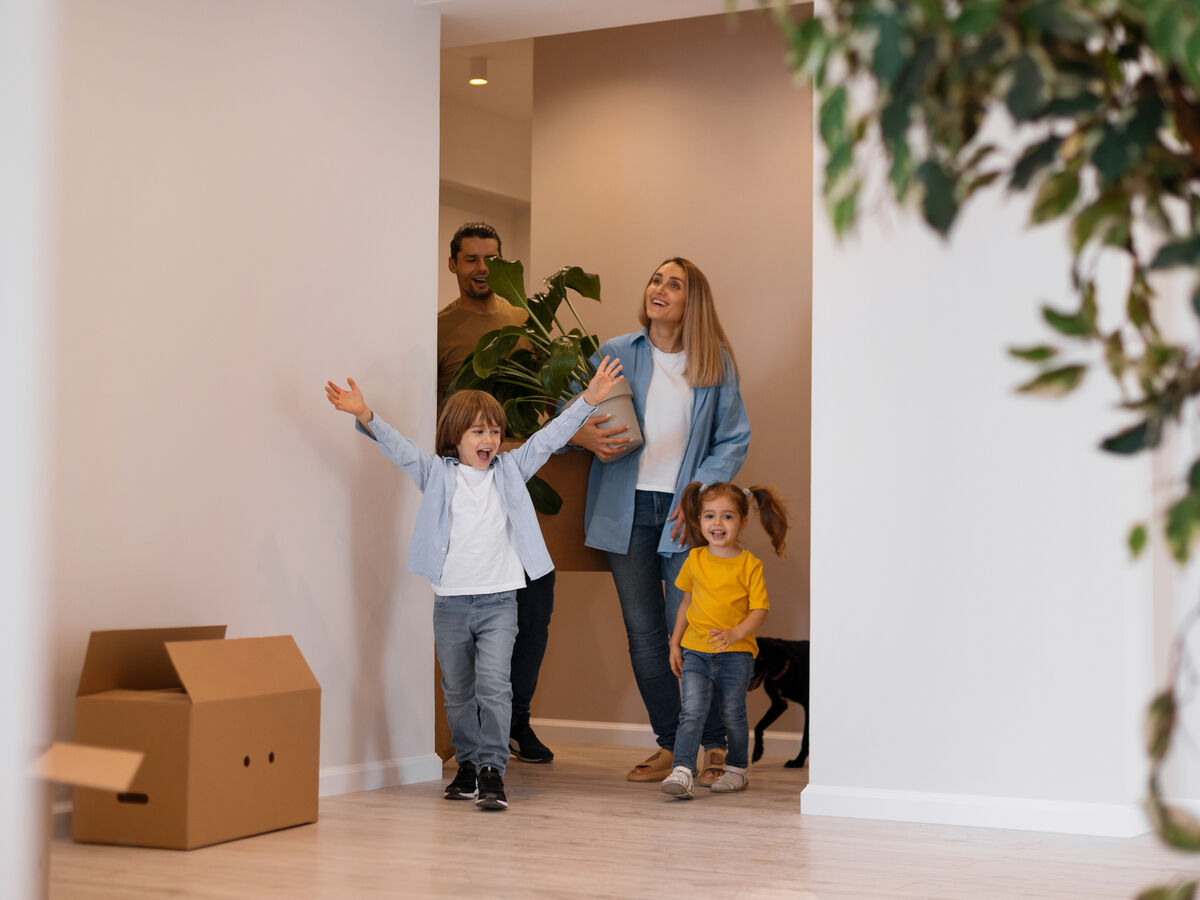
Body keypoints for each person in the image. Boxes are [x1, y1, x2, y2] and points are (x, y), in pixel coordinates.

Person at [325, 357, 624, 810]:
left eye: (495, 432)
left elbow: (549, 438)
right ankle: (466, 765)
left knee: (494, 686)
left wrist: (589, 400)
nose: (489, 440)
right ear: (456, 438)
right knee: (458, 690)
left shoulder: (510, 470)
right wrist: (365, 414)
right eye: (478, 432)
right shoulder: (436, 474)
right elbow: (401, 448)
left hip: (500, 601)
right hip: (450, 604)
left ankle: (492, 770)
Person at [570, 257, 751, 784]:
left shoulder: (713, 361)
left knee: (695, 630)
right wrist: (583, 436)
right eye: (655, 279)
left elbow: (732, 437)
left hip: (682, 518)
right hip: (623, 514)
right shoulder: (617, 352)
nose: (661, 289)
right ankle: (674, 746)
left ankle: (714, 745)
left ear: (692, 301)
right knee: (644, 635)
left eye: (675, 284)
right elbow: (572, 412)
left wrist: (694, 499)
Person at [437, 222, 558, 764]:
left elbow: (547, 400)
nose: (482, 268)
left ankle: (517, 720)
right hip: (467, 496)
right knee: (470, 620)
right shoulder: (440, 330)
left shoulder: (523, 323)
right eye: (471, 260)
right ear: (454, 265)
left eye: (492, 259)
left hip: (520, 482)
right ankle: (474, 745)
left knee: (534, 606)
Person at [660, 481, 789, 799]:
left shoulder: (749, 565)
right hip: (696, 652)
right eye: (709, 516)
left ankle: (736, 771)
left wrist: (735, 634)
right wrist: (675, 644)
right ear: (699, 520)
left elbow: (760, 610)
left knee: (733, 712)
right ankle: (683, 770)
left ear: (743, 521)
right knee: (691, 712)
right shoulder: (695, 560)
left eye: (727, 516)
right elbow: (686, 605)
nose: (717, 524)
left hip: (736, 655)